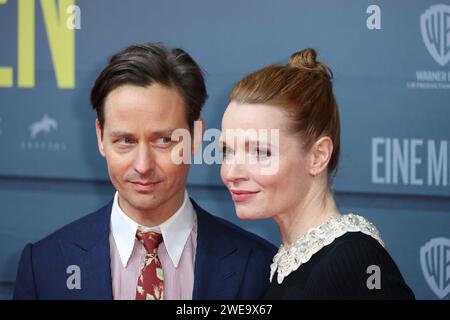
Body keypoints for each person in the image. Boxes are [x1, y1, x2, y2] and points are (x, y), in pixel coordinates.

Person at [13, 43, 276, 300]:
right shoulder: (44, 266)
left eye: (163, 140)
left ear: (195, 138)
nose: (143, 166)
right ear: (100, 137)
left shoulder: (258, 267)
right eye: (126, 141)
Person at [220, 48, 415, 299]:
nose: (231, 172)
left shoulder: (354, 261)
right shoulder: (288, 262)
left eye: (260, 152)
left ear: (318, 156)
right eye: (227, 151)